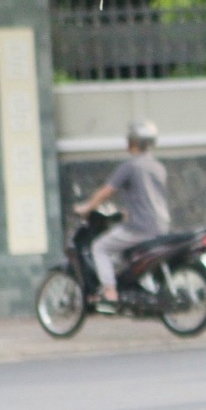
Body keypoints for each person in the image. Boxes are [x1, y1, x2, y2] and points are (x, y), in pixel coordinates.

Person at [72, 119, 170, 307]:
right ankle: (137, 288)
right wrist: (127, 211)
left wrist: (87, 207)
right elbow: (147, 197)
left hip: (140, 227)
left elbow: (107, 191)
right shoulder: (158, 167)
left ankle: (110, 292)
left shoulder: (130, 166)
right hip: (161, 225)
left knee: (100, 247)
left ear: (132, 142)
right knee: (123, 255)